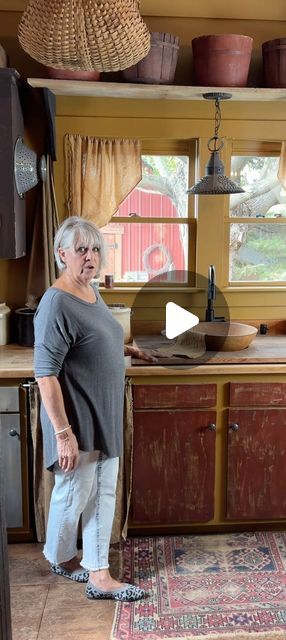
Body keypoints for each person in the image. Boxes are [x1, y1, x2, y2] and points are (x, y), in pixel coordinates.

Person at [34, 216, 156, 602]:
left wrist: (130, 350)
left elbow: (95, 338)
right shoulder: (56, 303)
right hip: (78, 417)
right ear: (61, 254)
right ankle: (61, 556)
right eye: (82, 249)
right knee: (74, 494)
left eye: (96, 248)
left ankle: (95, 571)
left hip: (104, 411)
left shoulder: (89, 291)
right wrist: (63, 434)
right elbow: (46, 375)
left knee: (103, 492)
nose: (91, 256)